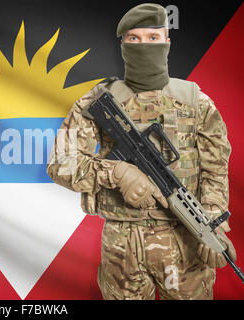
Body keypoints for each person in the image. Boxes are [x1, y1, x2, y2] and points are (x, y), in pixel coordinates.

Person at [47, 3, 237, 300]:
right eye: (134, 39)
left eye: (153, 38)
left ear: (167, 42)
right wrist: (118, 172)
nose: (144, 46)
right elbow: (60, 163)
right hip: (122, 246)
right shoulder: (98, 100)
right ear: (122, 44)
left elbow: (215, 170)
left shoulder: (197, 103)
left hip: (185, 246)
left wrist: (211, 227)